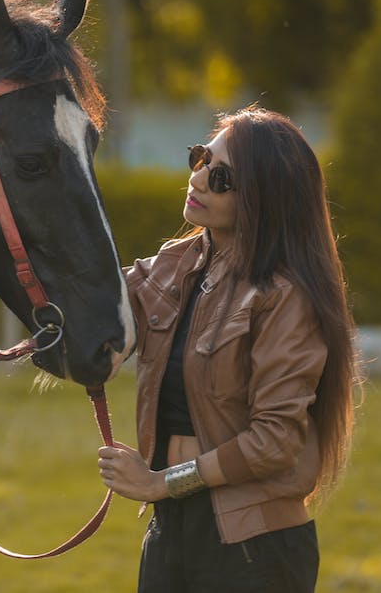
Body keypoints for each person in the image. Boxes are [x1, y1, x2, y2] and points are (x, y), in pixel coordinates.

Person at [98, 105, 360, 592]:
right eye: (201, 159)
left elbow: (275, 442)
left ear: (265, 200)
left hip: (254, 546)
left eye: (222, 178)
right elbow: (89, 305)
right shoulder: (174, 266)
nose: (198, 179)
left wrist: (161, 482)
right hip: (170, 530)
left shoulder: (286, 295)